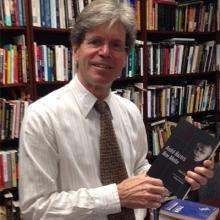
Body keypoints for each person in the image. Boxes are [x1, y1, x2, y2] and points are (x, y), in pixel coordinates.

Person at [19, 0, 214, 219]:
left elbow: (139, 167)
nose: (105, 52)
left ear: (125, 55)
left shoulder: (130, 111)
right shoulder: (41, 117)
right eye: (95, 42)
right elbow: (35, 208)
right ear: (75, 50)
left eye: (116, 45)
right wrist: (117, 196)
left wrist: (180, 177)